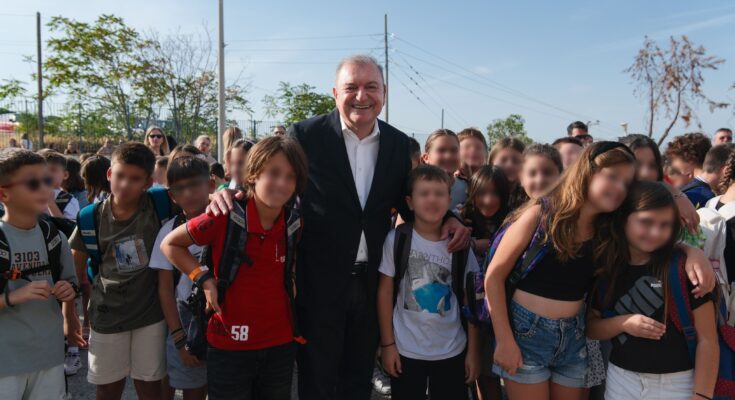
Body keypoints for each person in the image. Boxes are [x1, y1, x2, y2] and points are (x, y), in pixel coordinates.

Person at [207, 54, 469, 400]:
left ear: (384, 92)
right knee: (316, 382)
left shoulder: (397, 143)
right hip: (318, 284)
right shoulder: (305, 135)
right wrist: (231, 194)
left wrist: (451, 218)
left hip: (372, 285)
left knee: (357, 382)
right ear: (335, 92)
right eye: (351, 87)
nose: (362, 96)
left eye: (371, 87)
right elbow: (268, 178)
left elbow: (411, 201)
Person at [485, 142, 714, 400]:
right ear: (587, 171)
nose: (619, 188)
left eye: (625, 183)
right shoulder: (542, 213)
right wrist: (504, 339)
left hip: (575, 336)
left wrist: (689, 250)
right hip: (526, 334)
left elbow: (650, 242)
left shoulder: (609, 228)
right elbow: (493, 277)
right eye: (612, 177)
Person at [161, 136, 309, 399]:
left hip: (279, 345)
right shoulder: (225, 214)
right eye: (274, 173)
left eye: (290, 176)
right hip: (229, 347)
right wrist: (203, 278)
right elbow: (170, 245)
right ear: (253, 175)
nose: (282, 183)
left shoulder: (294, 223)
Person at [588, 181, 718, 400]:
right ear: (623, 219)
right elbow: (591, 327)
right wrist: (623, 323)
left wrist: (702, 395)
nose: (656, 232)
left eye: (665, 224)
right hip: (621, 380)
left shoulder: (686, 268)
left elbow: (708, 340)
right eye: (646, 222)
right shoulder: (607, 268)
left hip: (680, 384)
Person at [69, 142, 167, 400]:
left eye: (135, 179)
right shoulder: (90, 217)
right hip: (106, 316)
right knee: (107, 388)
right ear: (109, 173)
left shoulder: (160, 205)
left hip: (150, 316)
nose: (125, 184)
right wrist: (71, 317)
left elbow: (200, 198)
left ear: (147, 182)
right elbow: (75, 274)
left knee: (150, 386)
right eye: (120, 175)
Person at [377, 165, 481, 400]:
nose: (432, 199)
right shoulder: (397, 239)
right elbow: (385, 292)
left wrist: (473, 352)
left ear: (449, 200)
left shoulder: (460, 246)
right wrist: (387, 345)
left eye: (439, 193)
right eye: (424, 193)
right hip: (405, 350)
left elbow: (471, 299)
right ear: (410, 202)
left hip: (452, 349)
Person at [0, 148, 83, 399]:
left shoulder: (54, 237)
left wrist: (68, 291)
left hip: (50, 357)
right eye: (33, 183)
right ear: (3, 194)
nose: (45, 189)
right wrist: (13, 297)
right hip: (5, 363)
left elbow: (72, 285)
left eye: (47, 180)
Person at [150, 156, 212, 400]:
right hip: (187, 326)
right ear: (172, 196)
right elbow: (165, 289)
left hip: (226, 327)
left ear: (211, 184)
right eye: (180, 188)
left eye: (195, 185)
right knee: (193, 391)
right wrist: (178, 338)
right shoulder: (168, 231)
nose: (188, 193)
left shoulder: (230, 221)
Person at [462, 165, 509, 400]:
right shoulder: (460, 220)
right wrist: (471, 243)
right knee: (476, 373)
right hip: (467, 311)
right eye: (482, 193)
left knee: (493, 373)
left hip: (499, 312)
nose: (488, 200)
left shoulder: (513, 222)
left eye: (495, 193)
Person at [421, 129, 467, 210]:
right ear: (426, 158)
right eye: (441, 150)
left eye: (454, 150)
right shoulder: (415, 189)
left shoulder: (467, 190)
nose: (448, 156)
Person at [665, 133, 713, 207]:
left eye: (674, 159)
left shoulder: (690, 195)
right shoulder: (715, 191)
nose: (673, 165)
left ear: (690, 160)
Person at [38, 149, 80, 222]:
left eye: (53, 170)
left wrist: (51, 203)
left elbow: (70, 227)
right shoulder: (31, 193)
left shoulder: (68, 200)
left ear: (65, 175)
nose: (47, 173)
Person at [488, 137, 525, 211]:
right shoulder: (479, 192)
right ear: (491, 163)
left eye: (516, 161)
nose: (509, 165)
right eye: (503, 160)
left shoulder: (530, 198)